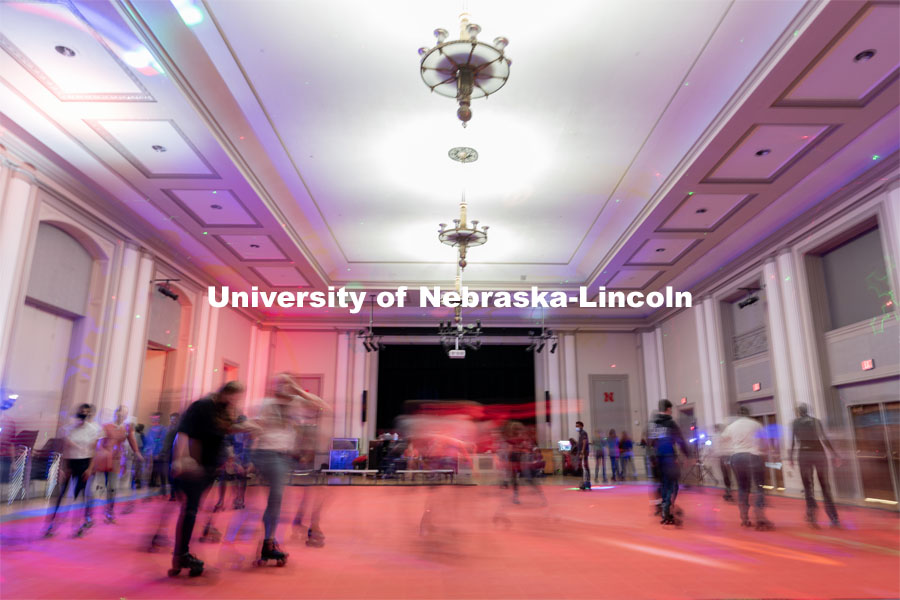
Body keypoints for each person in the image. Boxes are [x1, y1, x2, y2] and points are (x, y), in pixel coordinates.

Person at [168, 381, 253, 577]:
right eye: (234, 396)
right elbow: (183, 431)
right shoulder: (203, 406)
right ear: (226, 393)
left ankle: (181, 555)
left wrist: (229, 459)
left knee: (191, 509)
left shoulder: (223, 412)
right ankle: (180, 555)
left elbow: (223, 434)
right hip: (193, 465)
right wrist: (180, 459)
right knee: (189, 510)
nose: (236, 401)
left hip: (207, 468)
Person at [44, 404, 101, 537]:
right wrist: (62, 468)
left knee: (78, 496)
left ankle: (77, 527)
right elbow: (63, 450)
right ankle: (51, 526)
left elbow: (93, 451)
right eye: (82, 412)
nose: (83, 414)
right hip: (70, 463)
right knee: (61, 495)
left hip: (84, 464)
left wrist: (90, 469)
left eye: (86, 412)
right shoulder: (68, 429)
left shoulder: (93, 430)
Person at [790, 403, 841, 528]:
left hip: (804, 455)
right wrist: (834, 454)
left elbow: (793, 441)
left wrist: (790, 457)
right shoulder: (816, 421)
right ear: (807, 411)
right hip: (819, 454)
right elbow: (824, 438)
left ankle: (812, 516)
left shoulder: (795, 423)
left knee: (808, 487)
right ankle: (834, 518)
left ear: (798, 412)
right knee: (825, 486)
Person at [721, 407, 772, 530]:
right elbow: (765, 442)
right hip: (753, 456)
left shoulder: (732, 426)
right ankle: (759, 516)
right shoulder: (756, 424)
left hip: (737, 457)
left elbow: (723, 439)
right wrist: (765, 453)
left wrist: (732, 448)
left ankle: (744, 517)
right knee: (759, 487)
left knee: (743, 488)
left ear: (738, 415)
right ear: (749, 414)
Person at [93, 406, 142, 523]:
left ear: (125, 416)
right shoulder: (106, 426)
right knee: (100, 487)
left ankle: (109, 512)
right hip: (103, 459)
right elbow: (99, 442)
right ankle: (93, 513)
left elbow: (132, 441)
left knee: (113, 487)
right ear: (115, 414)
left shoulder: (127, 428)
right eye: (119, 414)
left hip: (116, 460)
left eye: (123, 415)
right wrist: (102, 450)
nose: (121, 417)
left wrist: (137, 453)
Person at [648, 400, 688, 525]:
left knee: (664, 484)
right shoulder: (671, 423)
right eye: (671, 409)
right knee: (672, 485)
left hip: (657, 458)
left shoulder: (653, 424)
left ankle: (664, 507)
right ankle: (667, 508)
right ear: (668, 409)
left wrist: (652, 460)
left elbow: (650, 443)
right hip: (669, 457)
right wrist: (688, 455)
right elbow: (680, 440)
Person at [146, 412, 169, 495]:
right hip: (152, 452)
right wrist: (148, 450)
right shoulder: (150, 429)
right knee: (153, 469)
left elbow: (162, 441)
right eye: (153, 418)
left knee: (161, 469)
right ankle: (152, 483)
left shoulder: (163, 429)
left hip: (160, 452)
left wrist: (159, 452)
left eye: (156, 418)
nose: (154, 419)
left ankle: (163, 488)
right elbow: (148, 440)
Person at [713, 423, 734, 502]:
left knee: (726, 475)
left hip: (724, 456)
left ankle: (728, 491)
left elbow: (718, 448)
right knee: (727, 475)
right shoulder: (723, 435)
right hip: (727, 456)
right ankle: (728, 491)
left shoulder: (718, 436)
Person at [575, 421, 590, 491]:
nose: (576, 427)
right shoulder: (580, 434)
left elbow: (584, 442)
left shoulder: (583, 433)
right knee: (583, 467)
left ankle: (587, 483)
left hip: (584, 453)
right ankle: (584, 483)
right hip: (582, 452)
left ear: (581, 426)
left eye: (577, 426)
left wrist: (582, 452)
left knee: (585, 467)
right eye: (576, 426)